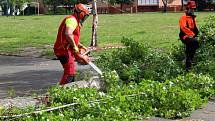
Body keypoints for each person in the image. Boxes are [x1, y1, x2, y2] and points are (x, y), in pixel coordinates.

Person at [54, 3, 90, 85]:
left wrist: (80, 46)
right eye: (85, 15)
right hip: (63, 50)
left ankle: (69, 88)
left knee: (71, 71)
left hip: (65, 49)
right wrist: (75, 48)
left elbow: (72, 37)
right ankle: (61, 92)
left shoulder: (75, 21)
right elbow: (68, 34)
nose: (85, 18)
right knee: (69, 71)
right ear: (81, 13)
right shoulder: (72, 20)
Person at [179, 0, 199, 71]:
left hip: (191, 36)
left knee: (192, 45)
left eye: (194, 9)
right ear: (188, 8)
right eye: (192, 9)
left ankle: (189, 61)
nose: (193, 10)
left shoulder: (193, 17)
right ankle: (189, 62)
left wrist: (198, 34)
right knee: (194, 42)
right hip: (185, 36)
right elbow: (183, 27)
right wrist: (192, 35)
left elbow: (195, 28)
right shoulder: (183, 17)